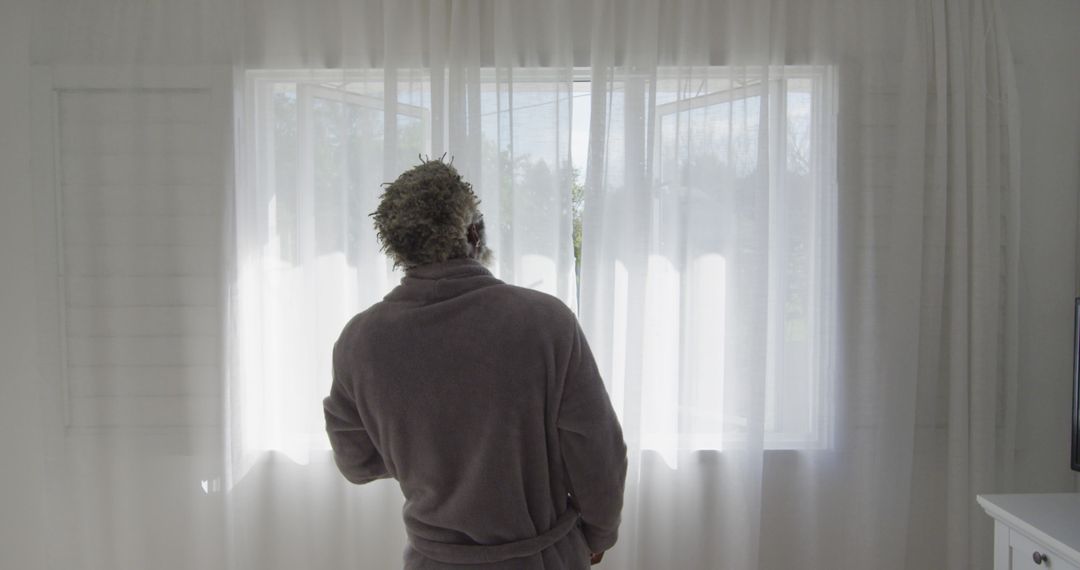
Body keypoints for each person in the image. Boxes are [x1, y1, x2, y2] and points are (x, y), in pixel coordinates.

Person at [322, 158, 628, 569]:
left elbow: (355, 462)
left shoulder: (359, 342)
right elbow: (598, 453)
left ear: (400, 248)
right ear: (472, 232)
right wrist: (599, 533)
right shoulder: (545, 322)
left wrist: (425, 453)